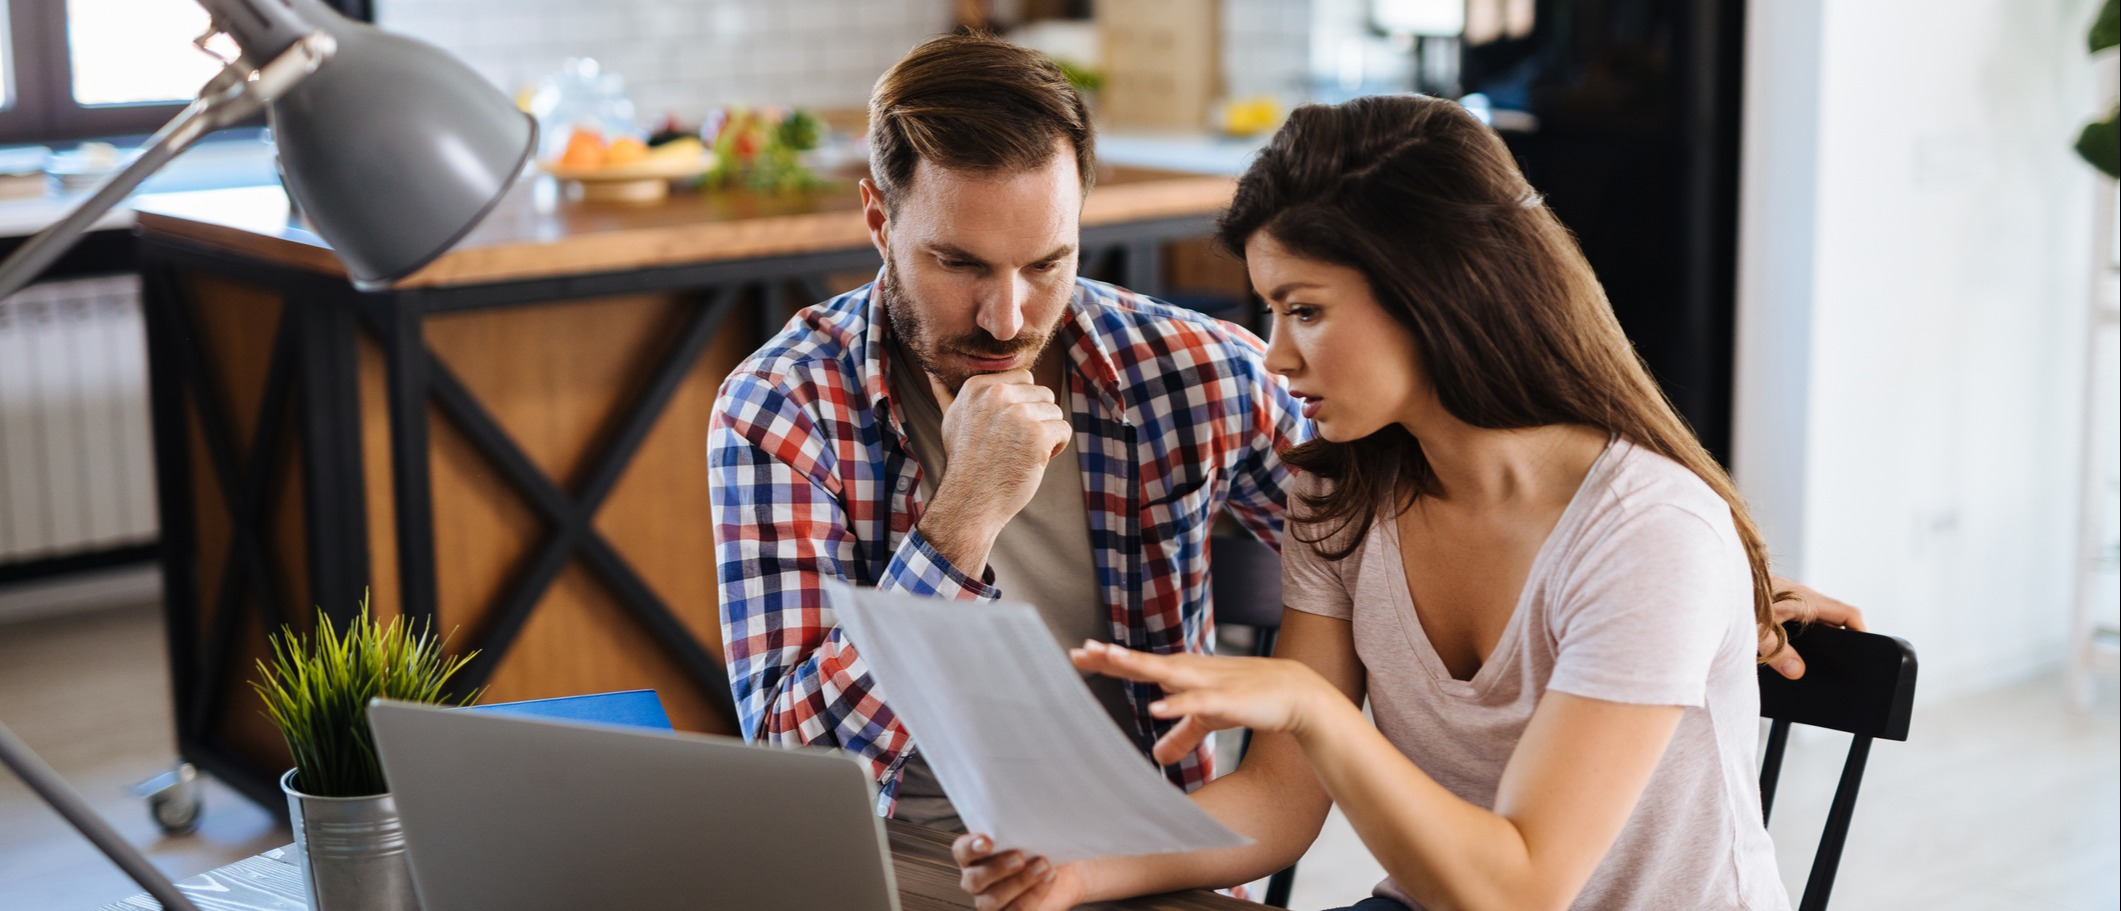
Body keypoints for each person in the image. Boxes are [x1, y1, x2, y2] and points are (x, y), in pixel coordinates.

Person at [951, 94, 1862, 911]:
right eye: (1270, 311)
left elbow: (1520, 889)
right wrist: (1077, 868)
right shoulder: (1340, 492)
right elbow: (1277, 800)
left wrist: (1311, 707)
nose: (1276, 356)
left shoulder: (1649, 532)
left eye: (1305, 310)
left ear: (1436, 290)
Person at [707, 34, 1306, 830]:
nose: (1006, 318)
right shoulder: (782, 407)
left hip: (1151, 855)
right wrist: (961, 518)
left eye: (1045, 264)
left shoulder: (1197, 371)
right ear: (879, 220)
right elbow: (798, 774)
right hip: (901, 858)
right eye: (959, 264)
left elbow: (1387, 569)